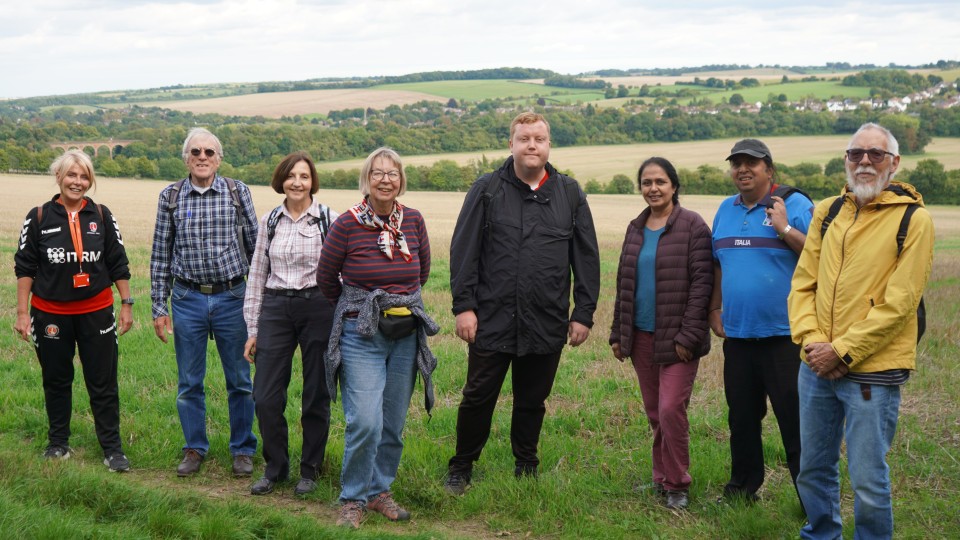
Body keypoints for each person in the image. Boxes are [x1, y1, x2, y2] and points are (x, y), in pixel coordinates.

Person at [788, 123, 934, 539]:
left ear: (895, 163)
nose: (865, 161)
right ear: (846, 160)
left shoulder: (914, 219)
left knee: (868, 478)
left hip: (872, 371)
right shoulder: (828, 211)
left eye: (876, 154)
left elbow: (900, 304)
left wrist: (843, 351)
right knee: (813, 467)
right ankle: (821, 533)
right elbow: (803, 283)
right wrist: (815, 342)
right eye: (856, 154)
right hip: (815, 366)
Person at [444, 112, 600, 495]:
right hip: (491, 318)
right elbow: (464, 252)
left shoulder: (569, 193)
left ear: (549, 146)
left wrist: (583, 313)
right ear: (511, 144)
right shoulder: (486, 189)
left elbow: (587, 258)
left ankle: (526, 465)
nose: (532, 145)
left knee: (532, 400)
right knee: (478, 396)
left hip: (546, 319)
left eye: (540, 139)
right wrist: (464, 307)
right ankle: (462, 467)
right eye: (524, 138)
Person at [317, 147, 438, 529]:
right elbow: (326, 278)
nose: (386, 179)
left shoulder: (414, 221)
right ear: (366, 179)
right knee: (365, 421)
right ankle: (351, 498)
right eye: (378, 173)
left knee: (392, 422)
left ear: (401, 180)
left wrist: (395, 304)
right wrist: (359, 309)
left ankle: (378, 492)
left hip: (404, 334)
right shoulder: (348, 224)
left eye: (393, 173)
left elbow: (423, 274)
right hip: (361, 334)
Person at [14, 150, 133, 472]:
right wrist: (22, 313)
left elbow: (117, 262)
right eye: (71, 175)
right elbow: (24, 267)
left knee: (103, 382)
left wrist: (126, 304)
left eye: (83, 177)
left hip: (96, 311)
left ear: (90, 181)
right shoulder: (38, 216)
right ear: (59, 177)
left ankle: (112, 449)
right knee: (56, 379)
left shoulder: (102, 215)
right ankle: (58, 444)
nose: (77, 182)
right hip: (49, 314)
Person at [150, 127, 259, 478]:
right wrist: (159, 307)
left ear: (219, 158)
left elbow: (258, 251)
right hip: (187, 298)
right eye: (195, 151)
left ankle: (242, 449)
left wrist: (261, 306)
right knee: (189, 382)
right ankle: (194, 448)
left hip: (232, 297)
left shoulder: (237, 192)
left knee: (240, 379)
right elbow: (159, 256)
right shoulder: (170, 197)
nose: (202, 157)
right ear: (186, 158)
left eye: (209, 152)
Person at [709, 138, 812, 503]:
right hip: (738, 336)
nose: (742, 169)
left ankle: (812, 500)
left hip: (787, 337)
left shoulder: (795, 204)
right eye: (736, 163)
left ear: (769, 169)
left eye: (751, 163)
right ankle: (742, 488)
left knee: (796, 423)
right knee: (741, 419)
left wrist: (784, 228)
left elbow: (822, 259)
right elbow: (718, 264)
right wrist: (714, 308)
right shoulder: (725, 209)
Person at [609, 157, 713, 510]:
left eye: (660, 182)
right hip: (640, 336)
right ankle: (661, 478)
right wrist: (618, 333)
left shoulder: (693, 226)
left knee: (671, 410)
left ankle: (678, 484)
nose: (653, 188)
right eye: (646, 182)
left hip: (679, 339)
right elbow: (625, 283)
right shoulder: (635, 228)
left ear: (674, 186)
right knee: (655, 413)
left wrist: (689, 336)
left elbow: (703, 285)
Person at [242, 152, 338, 496]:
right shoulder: (270, 220)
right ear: (281, 179)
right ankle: (275, 467)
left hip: (318, 307)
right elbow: (257, 274)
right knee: (265, 395)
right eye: (291, 176)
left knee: (316, 393)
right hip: (276, 308)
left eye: (304, 176)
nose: (297, 182)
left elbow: (341, 273)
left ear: (313, 181)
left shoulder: (328, 218)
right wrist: (253, 328)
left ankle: (310, 470)